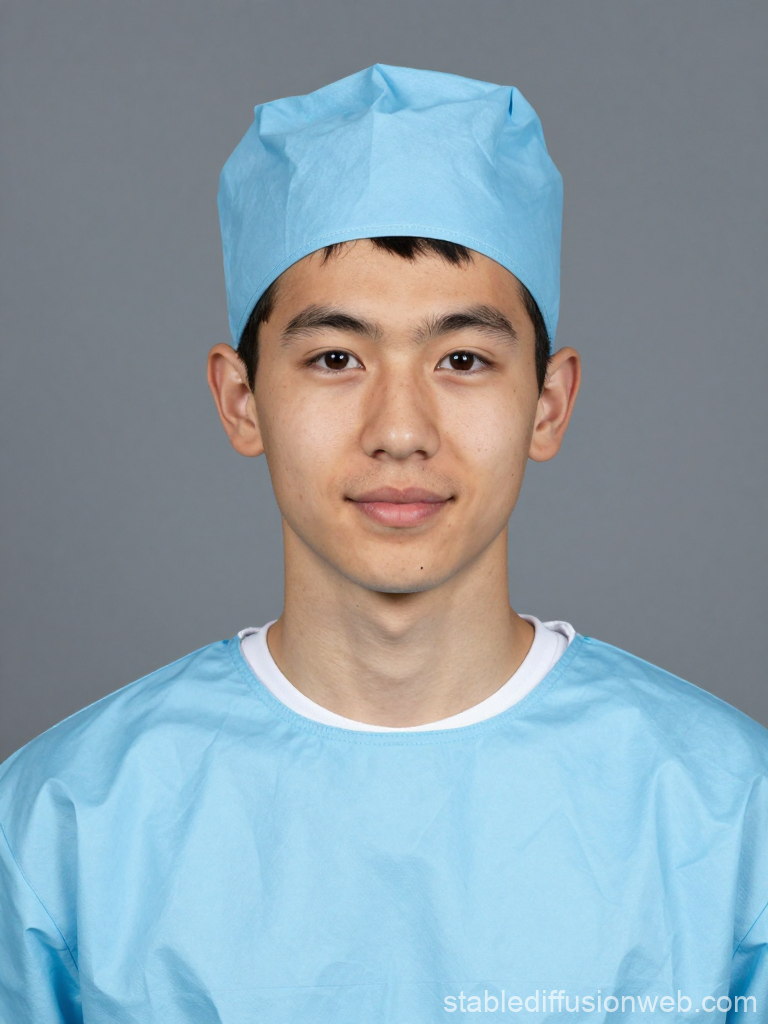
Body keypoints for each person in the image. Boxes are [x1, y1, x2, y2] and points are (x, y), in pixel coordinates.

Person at [0, 64, 765, 1022]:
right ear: (242, 400)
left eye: (462, 359)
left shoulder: (729, 823)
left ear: (549, 402)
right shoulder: (63, 830)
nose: (399, 429)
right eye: (335, 358)